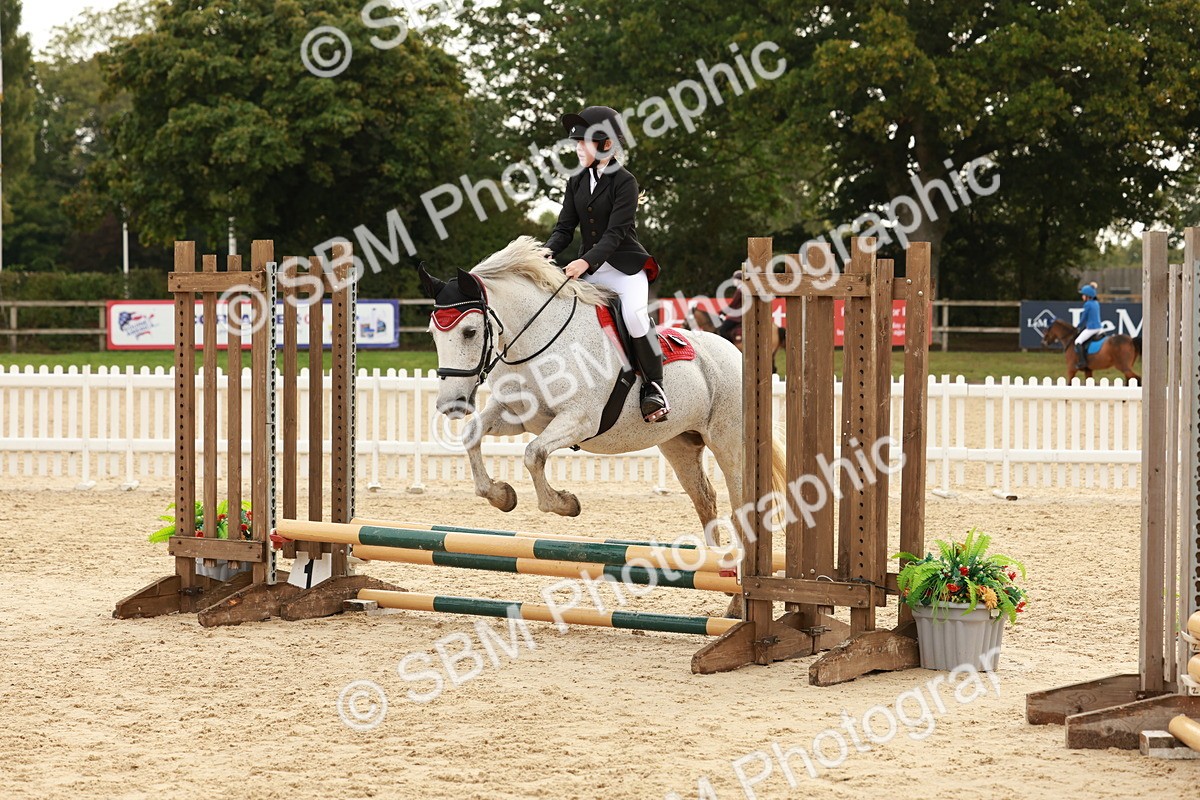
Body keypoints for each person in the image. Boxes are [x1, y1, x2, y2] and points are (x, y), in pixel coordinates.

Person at [543, 105, 668, 422]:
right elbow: (564, 229)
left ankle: (654, 389)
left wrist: (584, 262)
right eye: (577, 143)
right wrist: (544, 254)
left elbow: (614, 235)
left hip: (625, 269)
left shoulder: (625, 182)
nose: (578, 149)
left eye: (583, 142)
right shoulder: (575, 182)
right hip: (590, 269)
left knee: (635, 317)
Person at [1074, 283, 1103, 370]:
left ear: (1087, 296)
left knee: (1078, 341)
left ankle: (1082, 362)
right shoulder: (1096, 303)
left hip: (1092, 328)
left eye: (1083, 295)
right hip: (1099, 327)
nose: (1082, 296)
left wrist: (1077, 326)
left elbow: (1084, 318)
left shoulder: (1087, 304)